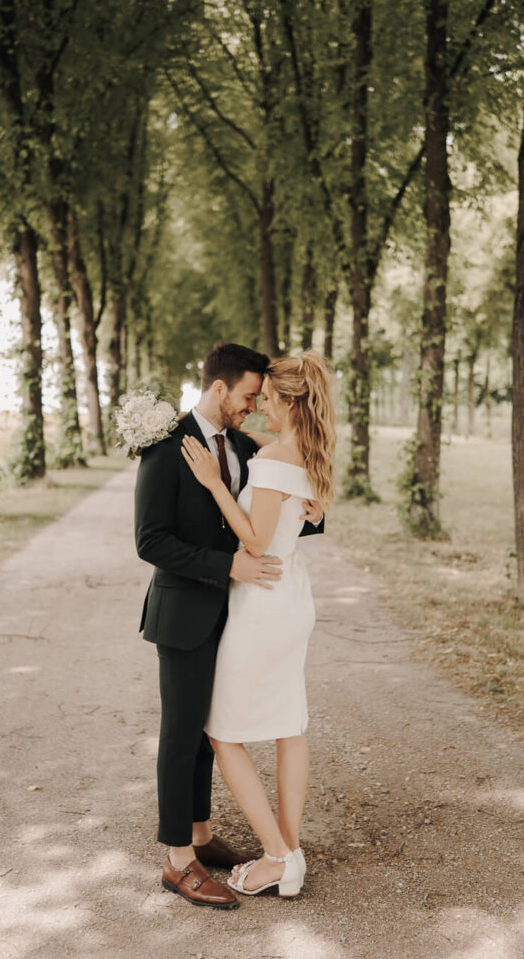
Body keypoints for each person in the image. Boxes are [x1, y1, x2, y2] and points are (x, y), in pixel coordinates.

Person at [134, 342, 323, 910]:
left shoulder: (244, 443)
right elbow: (151, 541)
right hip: (187, 611)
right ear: (219, 389)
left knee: (209, 737)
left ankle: (200, 833)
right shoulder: (166, 449)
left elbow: (277, 501)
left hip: (239, 612)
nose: (252, 407)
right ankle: (178, 861)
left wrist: (314, 511)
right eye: (246, 396)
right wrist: (227, 565)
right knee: (181, 734)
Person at [180, 351, 336, 898]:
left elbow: (255, 540)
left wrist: (212, 482)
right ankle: (289, 855)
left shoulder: (273, 457)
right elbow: (300, 519)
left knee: (222, 731)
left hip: (263, 604)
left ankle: (275, 856)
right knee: (289, 728)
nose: (262, 406)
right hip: (290, 594)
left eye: (268, 397)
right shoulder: (309, 454)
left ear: (290, 400)